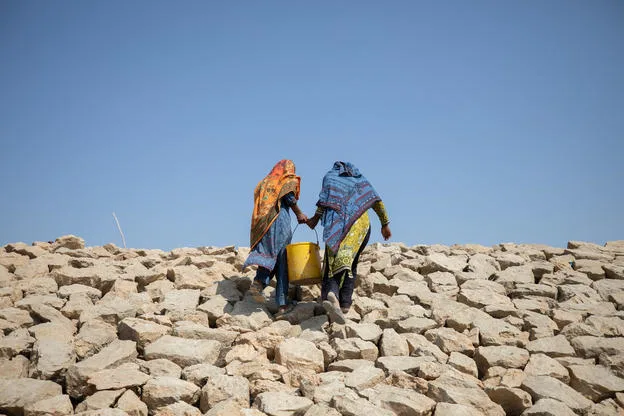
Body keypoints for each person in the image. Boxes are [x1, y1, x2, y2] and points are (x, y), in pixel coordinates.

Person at [307, 161, 391, 324]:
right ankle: (345, 303)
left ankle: (332, 295)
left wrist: (314, 221)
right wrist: (385, 224)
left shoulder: (329, 179)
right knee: (350, 262)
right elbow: (376, 201)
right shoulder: (359, 179)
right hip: (360, 225)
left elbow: (323, 203)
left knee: (333, 263)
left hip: (336, 226)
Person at [243, 160, 308, 315]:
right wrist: (299, 213)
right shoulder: (284, 180)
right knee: (282, 259)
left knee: (271, 254)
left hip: (262, 225)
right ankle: (282, 304)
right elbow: (289, 198)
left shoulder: (264, 183)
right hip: (279, 222)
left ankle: (259, 282)